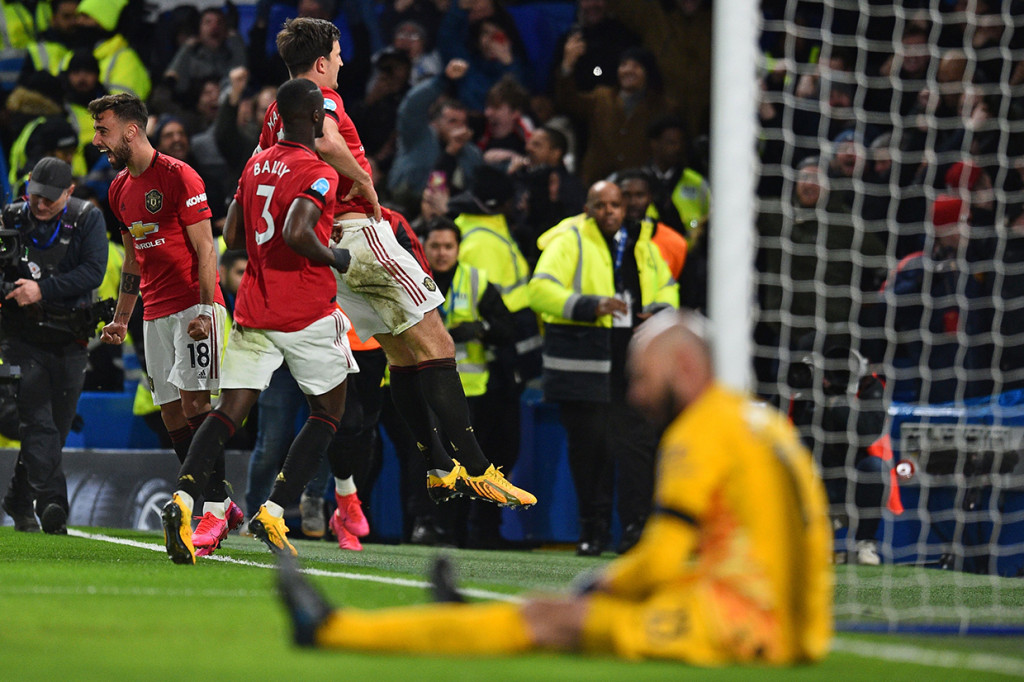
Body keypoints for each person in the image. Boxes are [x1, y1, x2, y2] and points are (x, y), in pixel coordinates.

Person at [277, 309, 834, 666]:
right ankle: (464, 619)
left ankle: (334, 629)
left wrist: (600, 583)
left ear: (685, 367)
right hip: (793, 625)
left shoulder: (700, 432)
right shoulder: (764, 424)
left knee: (544, 617)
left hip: (739, 627)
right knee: (581, 611)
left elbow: (663, 557)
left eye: (642, 377)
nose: (635, 396)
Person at [262, 17, 536, 512]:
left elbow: (270, 167)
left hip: (333, 246)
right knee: (438, 343)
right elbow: (326, 140)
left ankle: (438, 466)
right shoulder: (321, 98)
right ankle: (479, 469)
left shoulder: (274, 113)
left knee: (402, 355)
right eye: (337, 56)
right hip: (361, 235)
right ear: (320, 63)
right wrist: (365, 183)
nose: (342, 63)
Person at [161, 77, 359, 564]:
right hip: (306, 310)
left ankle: (183, 499)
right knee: (328, 411)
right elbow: (296, 231)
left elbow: (231, 235)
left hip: (253, 305)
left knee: (228, 412)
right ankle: (273, 509)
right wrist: (335, 256)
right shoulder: (319, 171)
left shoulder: (255, 164)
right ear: (317, 118)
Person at [90, 92, 242, 554]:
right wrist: (121, 319)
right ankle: (222, 502)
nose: (96, 140)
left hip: (195, 307)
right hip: (154, 312)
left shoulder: (179, 175)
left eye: (103, 130)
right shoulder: (118, 189)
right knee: (172, 412)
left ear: (131, 130)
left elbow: (207, 249)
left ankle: (212, 510)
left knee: (196, 403)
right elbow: (133, 260)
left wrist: (204, 311)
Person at [529, 180, 677, 555]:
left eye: (615, 205)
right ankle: (591, 531)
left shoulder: (643, 245)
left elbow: (668, 287)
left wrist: (658, 311)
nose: (609, 211)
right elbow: (539, 291)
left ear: (624, 209)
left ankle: (635, 530)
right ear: (588, 208)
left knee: (637, 448)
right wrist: (590, 305)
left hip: (632, 360)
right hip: (585, 361)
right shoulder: (569, 240)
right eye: (601, 205)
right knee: (589, 450)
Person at [0, 156, 108, 535]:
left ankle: (18, 499)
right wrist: (11, 290)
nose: (40, 204)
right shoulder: (10, 218)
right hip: (20, 338)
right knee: (38, 421)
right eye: (35, 195)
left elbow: (93, 271)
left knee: (56, 430)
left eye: (49, 198)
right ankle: (53, 505)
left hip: (70, 338)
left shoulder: (87, 219)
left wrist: (41, 290)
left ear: (69, 192)